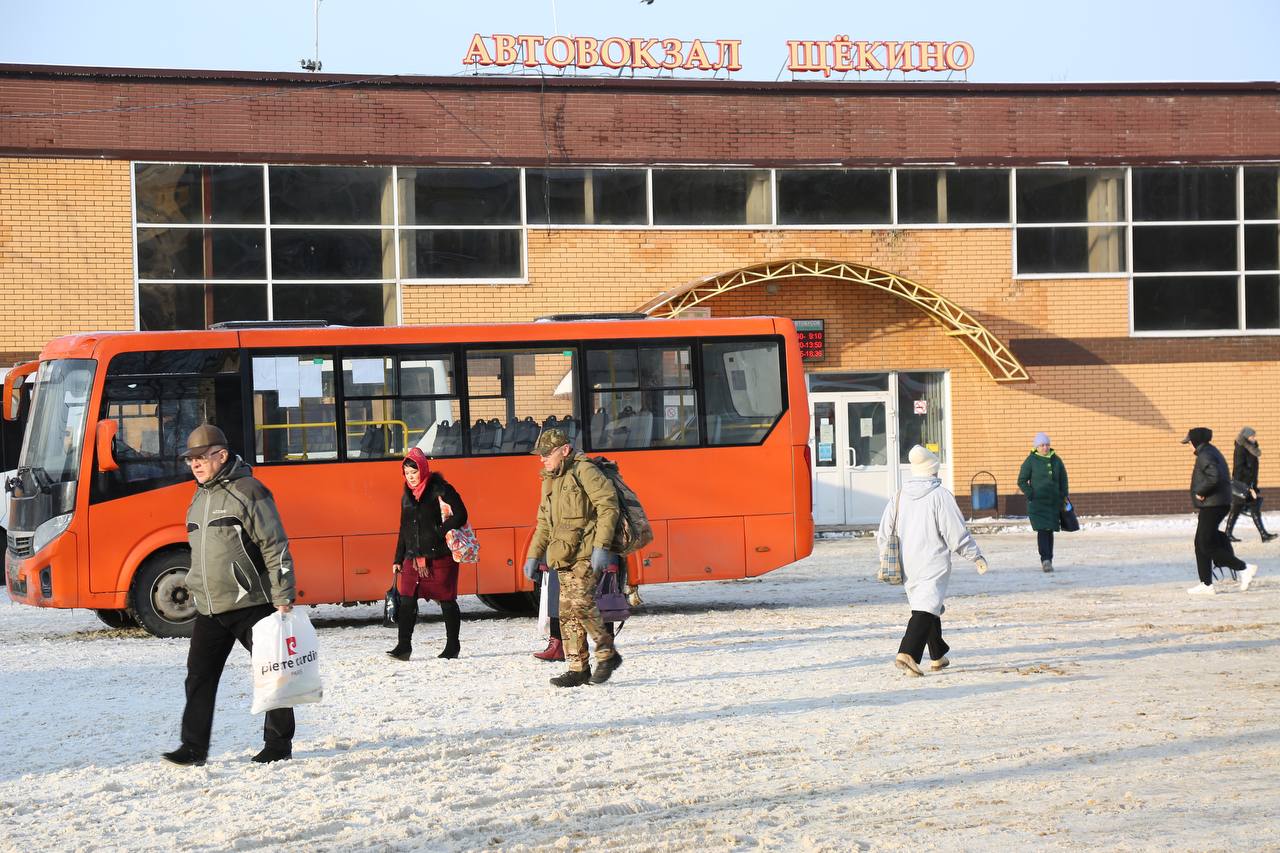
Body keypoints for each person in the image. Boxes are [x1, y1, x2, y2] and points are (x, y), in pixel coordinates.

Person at [162, 424, 297, 766]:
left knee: (272, 671)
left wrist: (283, 593)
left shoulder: (249, 490)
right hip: (210, 607)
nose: (194, 464)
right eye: (189, 458)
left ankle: (278, 745)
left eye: (200, 457)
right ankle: (193, 748)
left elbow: (274, 543)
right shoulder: (199, 496)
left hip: (252, 602)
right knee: (198, 677)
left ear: (221, 456)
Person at [878, 445, 988, 676]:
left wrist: (883, 559)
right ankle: (908, 652)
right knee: (926, 607)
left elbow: (884, 533)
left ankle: (937, 654)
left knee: (926, 604)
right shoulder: (940, 496)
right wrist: (975, 555)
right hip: (932, 560)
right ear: (933, 470)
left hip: (906, 562)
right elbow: (955, 532)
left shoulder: (898, 496)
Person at [524, 428, 622, 687]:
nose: (542, 459)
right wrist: (533, 555)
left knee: (580, 603)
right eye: (540, 455)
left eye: (547, 454)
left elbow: (608, 506)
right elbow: (544, 522)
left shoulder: (585, 471)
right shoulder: (549, 478)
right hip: (563, 553)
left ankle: (607, 653)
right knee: (566, 612)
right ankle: (578, 668)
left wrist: (601, 547)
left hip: (586, 552)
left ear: (564, 450)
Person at [386, 447, 467, 661]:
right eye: (407, 474)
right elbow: (404, 528)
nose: (411, 478)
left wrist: (439, 532)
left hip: (440, 557)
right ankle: (404, 647)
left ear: (423, 469)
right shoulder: (407, 496)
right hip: (413, 558)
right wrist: (397, 558)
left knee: (447, 600)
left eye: (414, 473)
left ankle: (452, 646)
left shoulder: (441, 489)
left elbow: (461, 514)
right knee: (406, 600)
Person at [1182, 427, 1260, 595]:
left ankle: (1244, 568)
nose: (1189, 446)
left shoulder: (1205, 455)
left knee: (1205, 544)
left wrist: (1201, 491)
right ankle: (1206, 584)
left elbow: (1214, 476)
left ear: (1196, 441)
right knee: (1200, 543)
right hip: (1214, 503)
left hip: (1213, 504)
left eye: (1190, 443)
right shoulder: (1210, 451)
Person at [1017, 432, 1068, 573]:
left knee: (1049, 530)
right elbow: (1021, 480)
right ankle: (1045, 560)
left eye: (1047, 445)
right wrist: (1031, 493)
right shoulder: (1031, 460)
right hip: (1038, 503)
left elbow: (1063, 479)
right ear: (1036, 447)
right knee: (1043, 531)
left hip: (1053, 503)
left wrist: (1063, 495)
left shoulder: (1056, 460)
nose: (1045, 447)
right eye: (1042, 445)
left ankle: (1048, 559)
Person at [1225, 426, 1276, 543]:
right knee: (1243, 508)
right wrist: (1248, 487)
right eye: (1252, 436)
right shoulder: (1241, 449)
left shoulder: (1250, 448)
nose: (1254, 438)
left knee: (1245, 508)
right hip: (1243, 484)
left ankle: (1263, 535)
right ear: (1246, 437)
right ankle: (1263, 535)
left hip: (1249, 483)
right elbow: (1238, 469)